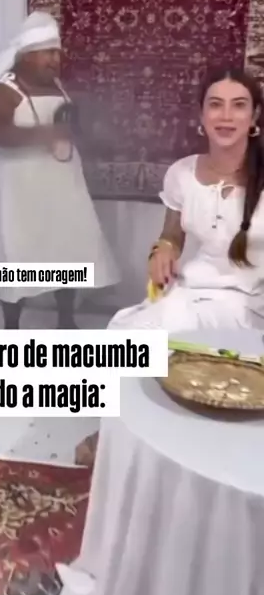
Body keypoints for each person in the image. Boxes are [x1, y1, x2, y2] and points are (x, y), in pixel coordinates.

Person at [76, 66, 264, 467]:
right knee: (126, 336)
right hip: (195, 288)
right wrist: (161, 251)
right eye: (215, 105)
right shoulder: (182, 173)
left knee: (162, 337)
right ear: (201, 115)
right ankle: (120, 435)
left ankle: (150, 443)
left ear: (255, 116)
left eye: (238, 105)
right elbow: (171, 235)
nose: (226, 116)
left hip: (250, 301)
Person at [0, 11, 119, 329]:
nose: (55, 59)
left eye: (57, 52)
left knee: (67, 250)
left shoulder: (57, 86)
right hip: (21, 190)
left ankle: (66, 320)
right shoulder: (3, 91)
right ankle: (12, 329)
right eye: (48, 52)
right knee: (17, 255)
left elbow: (71, 125)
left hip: (63, 184)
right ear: (26, 54)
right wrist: (46, 134)